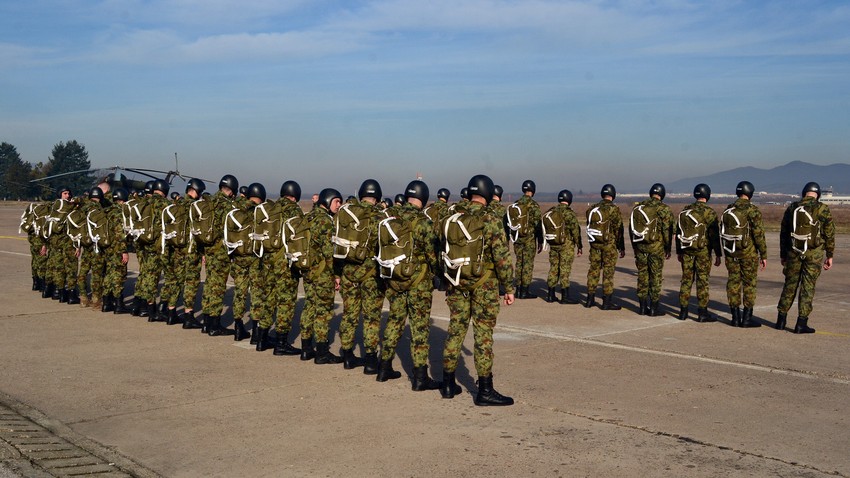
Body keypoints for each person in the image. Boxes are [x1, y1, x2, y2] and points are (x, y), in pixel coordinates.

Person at [441, 174, 516, 406]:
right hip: (485, 285)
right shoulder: (490, 220)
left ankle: (447, 384)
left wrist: (446, 279)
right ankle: (485, 390)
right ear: (488, 193)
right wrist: (509, 287)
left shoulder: (451, 219)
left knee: (455, 331)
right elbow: (502, 257)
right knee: (483, 336)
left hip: (456, 284)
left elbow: (439, 252)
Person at [377, 180, 441, 390]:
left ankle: (384, 367)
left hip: (394, 280)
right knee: (419, 327)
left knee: (394, 321)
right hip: (418, 283)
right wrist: (438, 275)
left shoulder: (389, 218)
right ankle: (420, 377)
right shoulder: (423, 223)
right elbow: (432, 255)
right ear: (423, 198)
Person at [334, 179, 387, 372]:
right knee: (371, 317)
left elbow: (337, 244)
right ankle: (370, 360)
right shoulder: (380, 217)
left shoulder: (345, 214)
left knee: (349, 314)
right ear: (377, 197)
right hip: (371, 276)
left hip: (348, 272)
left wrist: (337, 273)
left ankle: (347, 355)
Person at [776, 182, 835, 334]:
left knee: (790, 285)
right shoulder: (822, 208)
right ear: (818, 194)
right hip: (813, 254)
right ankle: (801, 323)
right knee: (807, 287)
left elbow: (784, 233)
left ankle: (781, 320)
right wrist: (829, 255)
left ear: (804, 193)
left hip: (793, 252)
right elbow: (829, 234)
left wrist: (783, 254)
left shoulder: (792, 208)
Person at [300, 188, 344, 364]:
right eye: (336, 201)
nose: (339, 205)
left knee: (309, 307)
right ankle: (322, 352)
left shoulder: (308, 217)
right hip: (322, 273)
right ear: (327, 201)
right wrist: (336, 275)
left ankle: (306, 348)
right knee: (323, 311)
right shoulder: (325, 221)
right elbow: (329, 252)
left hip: (308, 271)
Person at [721, 181, 767, 328]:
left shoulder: (728, 210)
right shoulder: (753, 210)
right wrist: (763, 255)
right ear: (750, 193)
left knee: (733, 283)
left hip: (731, 253)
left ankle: (735, 318)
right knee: (749, 284)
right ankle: (746, 318)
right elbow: (758, 235)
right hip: (748, 254)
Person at [200, 174, 240, 336]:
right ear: (232, 190)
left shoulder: (209, 202)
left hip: (209, 249)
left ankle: (206, 322)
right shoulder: (227, 205)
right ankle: (214, 325)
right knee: (217, 287)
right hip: (221, 252)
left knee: (209, 284)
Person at [675, 184, 722, 322]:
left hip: (687, 251)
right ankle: (702, 313)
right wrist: (718, 254)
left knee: (686, 280)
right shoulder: (709, 212)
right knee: (702, 281)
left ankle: (683, 312)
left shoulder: (685, 211)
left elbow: (679, 233)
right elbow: (714, 236)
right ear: (707, 195)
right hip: (703, 252)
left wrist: (679, 251)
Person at [629, 183, 674, 316]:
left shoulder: (638, 207)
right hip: (656, 248)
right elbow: (667, 230)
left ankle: (642, 307)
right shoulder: (664, 209)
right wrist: (668, 248)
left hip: (640, 247)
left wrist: (635, 247)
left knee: (642, 276)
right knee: (655, 277)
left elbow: (632, 229)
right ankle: (654, 308)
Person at [585, 184, 625, 310]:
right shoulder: (614, 209)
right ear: (613, 195)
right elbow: (618, 229)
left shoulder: (592, 209)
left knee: (593, 270)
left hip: (595, 244)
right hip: (609, 246)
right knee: (608, 273)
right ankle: (606, 302)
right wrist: (621, 246)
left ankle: (589, 299)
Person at [542, 189, 582, 304]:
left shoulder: (552, 211)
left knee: (553, 268)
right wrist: (579, 245)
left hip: (554, 244)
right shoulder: (569, 213)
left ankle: (550, 295)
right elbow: (575, 231)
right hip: (566, 245)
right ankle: (565, 296)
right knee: (564, 269)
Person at [509, 180, 542, 299]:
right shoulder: (534, 205)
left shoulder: (516, 204)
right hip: (529, 239)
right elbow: (538, 225)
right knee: (527, 264)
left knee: (519, 263)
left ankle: (518, 290)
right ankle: (525, 291)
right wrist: (540, 240)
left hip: (518, 238)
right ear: (533, 190)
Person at [103, 187, 132, 314]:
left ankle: (106, 303)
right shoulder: (120, 213)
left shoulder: (107, 211)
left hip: (107, 248)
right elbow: (120, 234)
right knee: (119, 275)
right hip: (117, 249)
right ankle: (119, 304)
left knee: (109, 274)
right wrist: (124, 251)